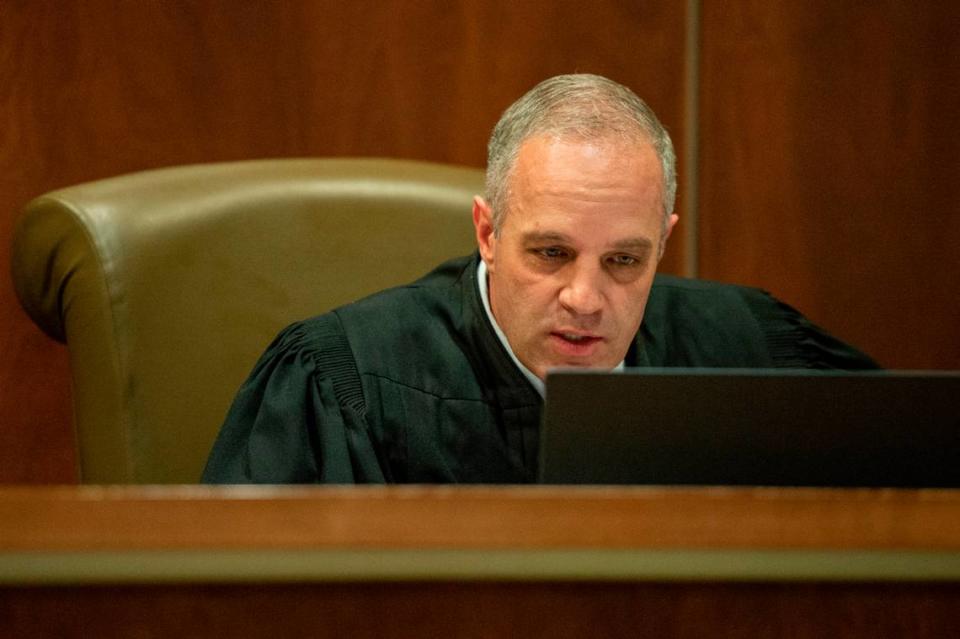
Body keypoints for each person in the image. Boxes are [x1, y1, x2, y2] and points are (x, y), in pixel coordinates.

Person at [202, 74, 876, 484]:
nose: (585, 299)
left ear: (664, 242)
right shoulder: (343, 382)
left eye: (623, 261)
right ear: (488, 233)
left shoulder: (753, 351)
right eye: (551, 253)